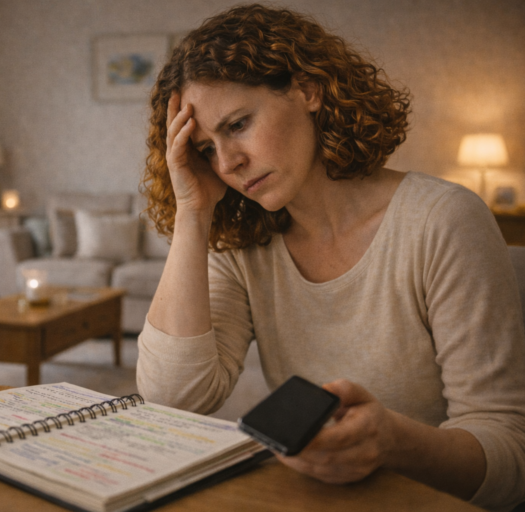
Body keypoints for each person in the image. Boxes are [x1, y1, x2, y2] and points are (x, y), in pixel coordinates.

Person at [136, 5, 525, 511]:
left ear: (308, 90)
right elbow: (174, 399)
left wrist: (394, 443)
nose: (228, 163)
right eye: (206, 149)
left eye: (238, 124)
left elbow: (511, 454)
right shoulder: (243, 242)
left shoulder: (442, 221)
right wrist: (193, 212)